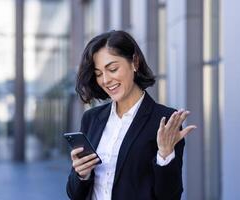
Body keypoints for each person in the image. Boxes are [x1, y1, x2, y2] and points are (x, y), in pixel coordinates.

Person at [66, 30, 196, 200]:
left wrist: (165, 155)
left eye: (112, 69)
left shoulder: (163, 121)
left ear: (134, 62)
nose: (105, 80)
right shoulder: (91, 118)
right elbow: (74, 194)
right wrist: (81, 174)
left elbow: (170, 196)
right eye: (98, 73)